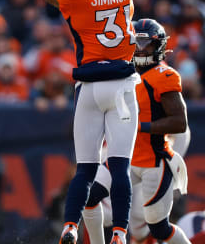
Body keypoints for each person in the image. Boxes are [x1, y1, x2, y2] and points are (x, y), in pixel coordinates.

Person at [3, 0, 139, 244]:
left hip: (89, 88)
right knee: (120, 167)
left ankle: (69, 227)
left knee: (85, 169)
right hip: (123, 84)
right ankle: (120, 233)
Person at [82, 19, 191, 244]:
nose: (140, 50)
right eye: (136, 43)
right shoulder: (121, 71)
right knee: (88, 197)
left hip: (154, 162)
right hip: (124, 156)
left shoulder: (164, 76)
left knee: (159, 229)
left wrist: (140, 126)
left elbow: (179, 123)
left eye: (146, 44)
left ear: (158, 46)